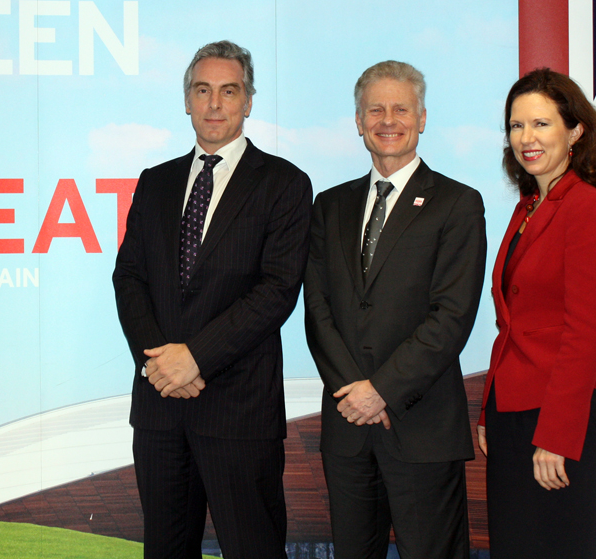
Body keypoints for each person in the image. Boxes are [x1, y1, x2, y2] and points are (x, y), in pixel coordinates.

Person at [112, 40, 312, 559]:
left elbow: (277, 291)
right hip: (160, 409)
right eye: (203, 90)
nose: (215, 104)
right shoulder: (154, 183)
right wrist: (161, 361)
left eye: (229, 91)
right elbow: (129, 278)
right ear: (187, 100)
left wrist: (194, 358)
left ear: (248, 102)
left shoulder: (284, 184)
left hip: (239, 411)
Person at [304, 60, 486, 559]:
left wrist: (381, 392)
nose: (389, 120)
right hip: (347, 429)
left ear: (422, 118)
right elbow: (317, 310)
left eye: (401, 108)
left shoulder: (458, 203)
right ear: (359, 122)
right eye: (375, 110)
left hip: (422, 428)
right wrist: (355, 394)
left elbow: (451, 317)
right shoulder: (329, 206)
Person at [477, 68, 596, 559]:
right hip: (511, 416)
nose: (526, 138)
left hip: (561, 422)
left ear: (575, 130)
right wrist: (488, 409)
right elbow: (512, 324)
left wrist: (555, 436)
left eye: (541, 124)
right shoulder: (528, 207)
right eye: (516, 126)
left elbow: (585, 335)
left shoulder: (586, 208)